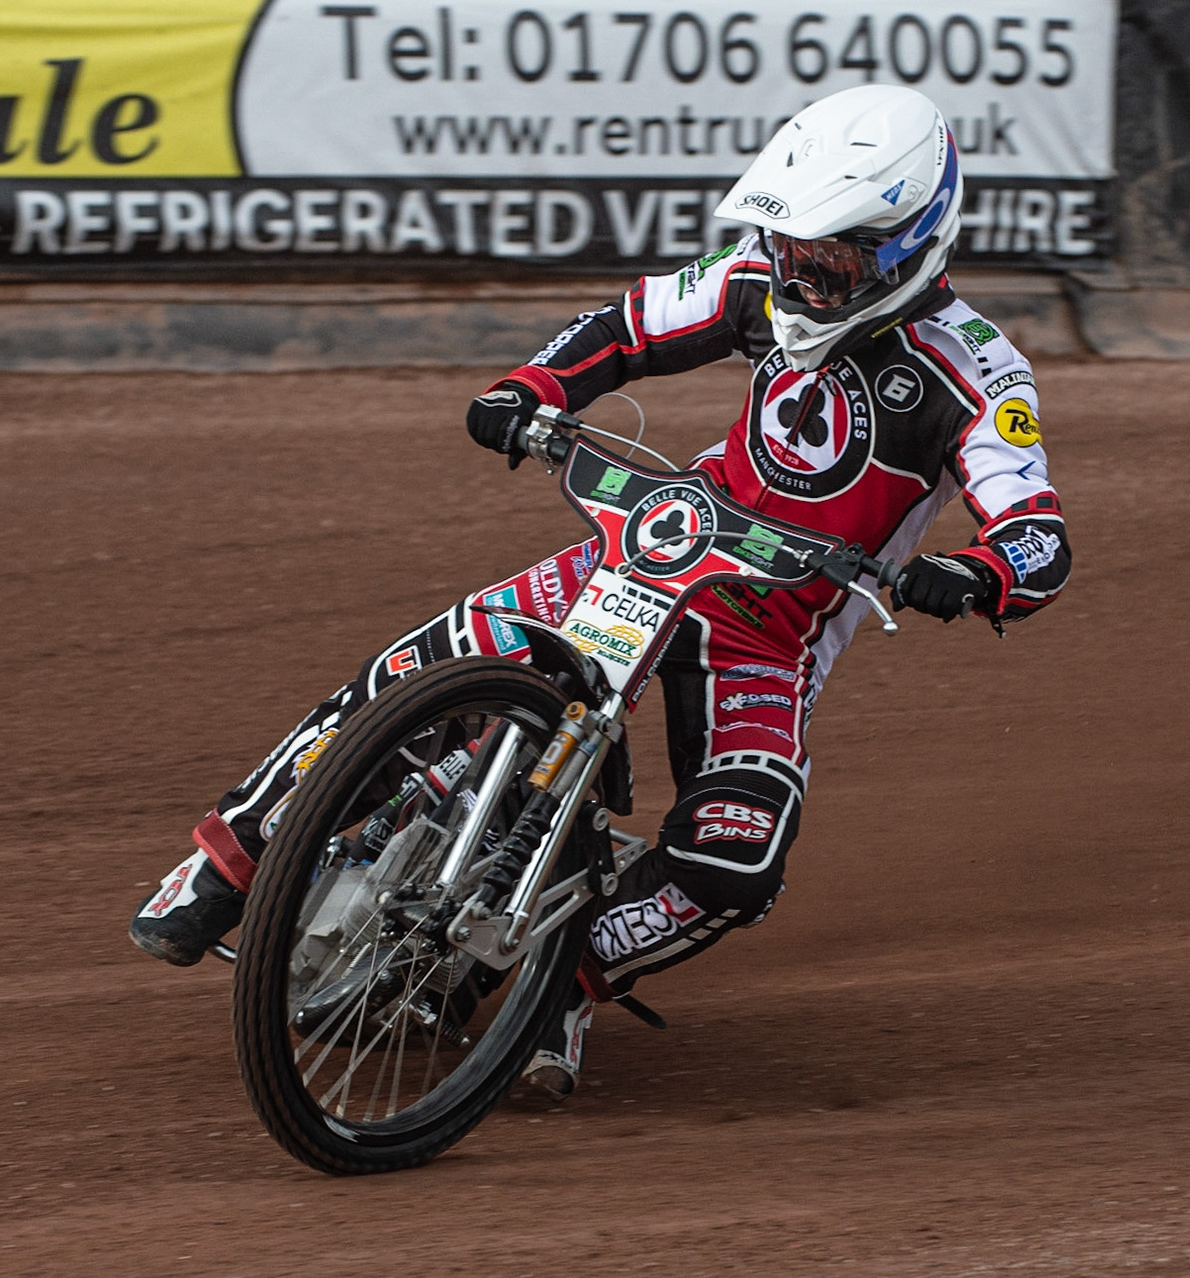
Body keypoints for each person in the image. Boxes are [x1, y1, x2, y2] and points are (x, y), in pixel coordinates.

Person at [128, 84, 1071, 1099]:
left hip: (769, 631)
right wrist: (528, 390)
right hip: (658, 546)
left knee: (737, 858)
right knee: (420, 668)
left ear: (911, 242)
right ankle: (226, 862)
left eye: (832, 263)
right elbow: (627, 324)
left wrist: (976, 574)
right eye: (794, 254)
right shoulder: (759, 277)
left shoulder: (977, 371)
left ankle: (561, 981)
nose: (802, 281)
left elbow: (1037, 534)